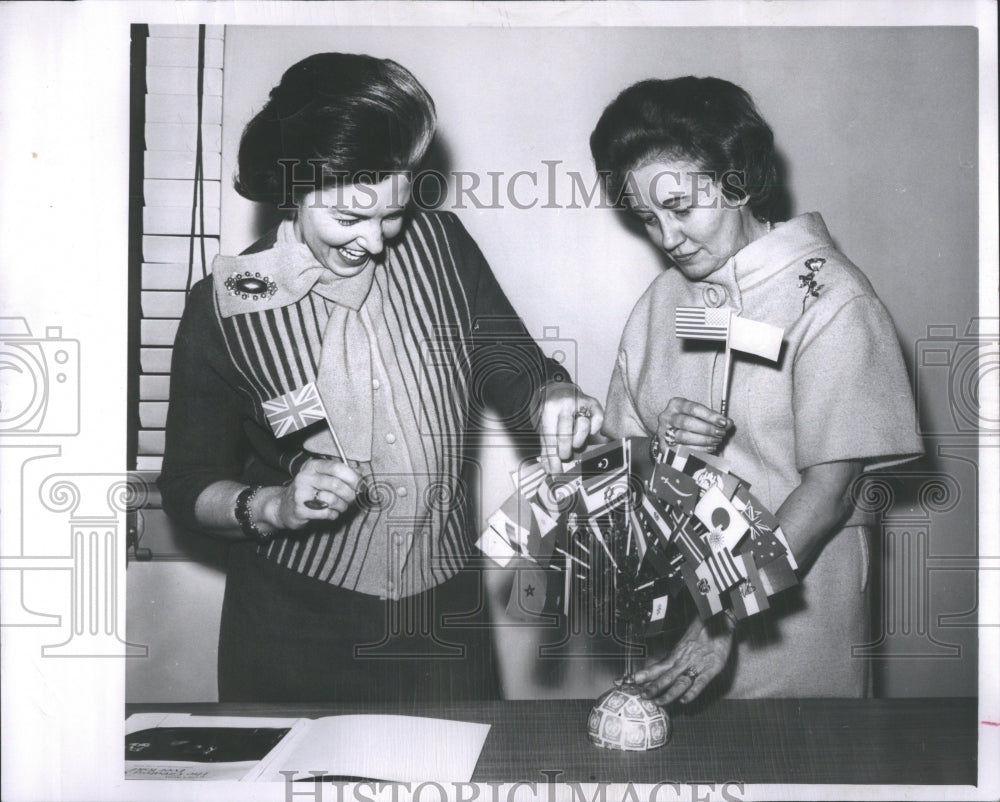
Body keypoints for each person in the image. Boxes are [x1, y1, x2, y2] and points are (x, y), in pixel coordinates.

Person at [158, 53, 603, 703]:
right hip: (292, 634)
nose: (374, 241)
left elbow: (519, 370)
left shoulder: (445, 248)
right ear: (295, 185)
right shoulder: (221, 307)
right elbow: (187, 486)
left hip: (443, 627)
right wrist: (275, 506)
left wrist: (555, 396)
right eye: (348, 218)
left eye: (391, 213)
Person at [589, 76, 922, 701]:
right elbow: (621, 456)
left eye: (682, 208)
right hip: (678, 625)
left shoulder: (833, 300)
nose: (666, 238)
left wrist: (721, 617)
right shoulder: (661, 302)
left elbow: (831, 489)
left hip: (790, 632)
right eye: (646, 217)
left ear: (738, 179)